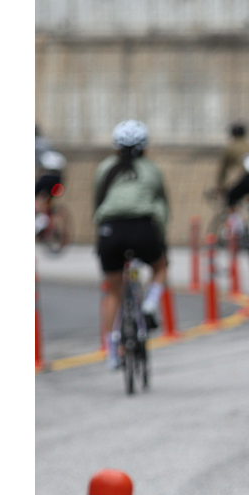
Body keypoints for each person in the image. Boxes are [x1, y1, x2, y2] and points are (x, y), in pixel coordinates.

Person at [94, 120, 170, 368]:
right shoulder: (151, 169)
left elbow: (98, 202)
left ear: (116, 147)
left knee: (113, 292)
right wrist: (160, 238)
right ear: (144, 147)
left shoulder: (105, 167)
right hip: (142, 228)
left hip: (110, 230)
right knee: (160, 266)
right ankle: (149, 304)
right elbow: (162, 205)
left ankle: (111, 351)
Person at [215, 121, 249, 196]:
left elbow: (223, 170)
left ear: (232, 134)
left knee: (232, 197)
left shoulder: (230, 148)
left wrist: (220, 186)